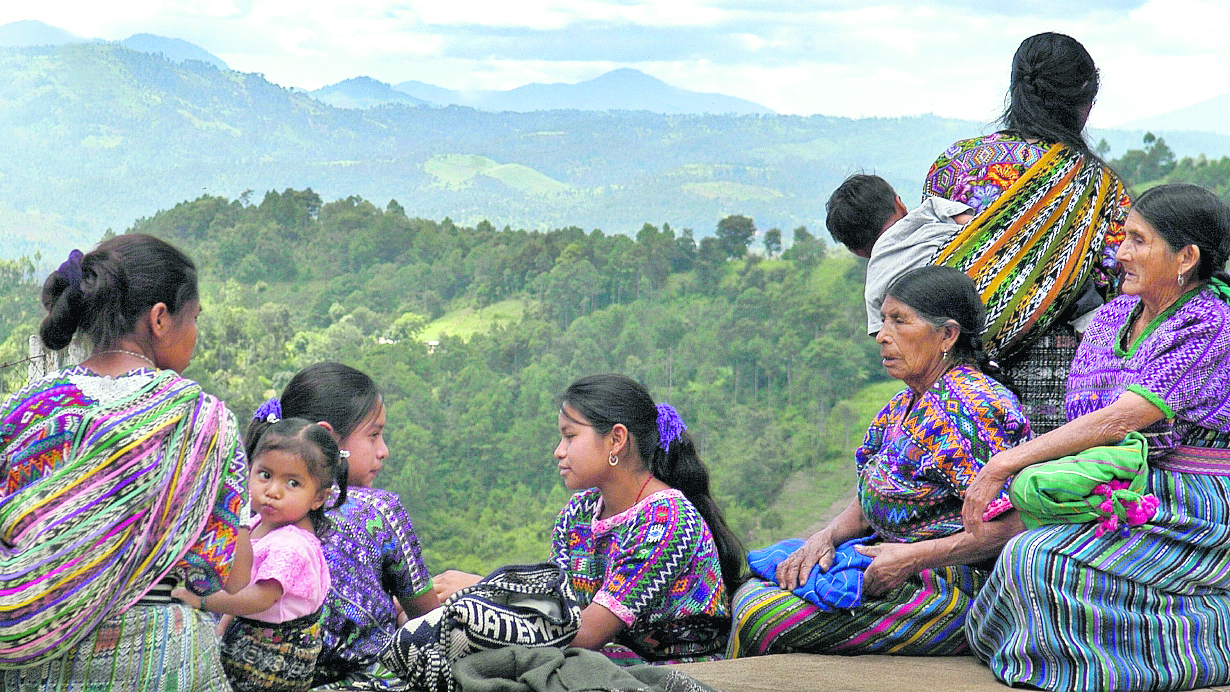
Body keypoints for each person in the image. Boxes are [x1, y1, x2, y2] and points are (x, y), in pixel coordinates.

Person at [962, 184, 1230, 692]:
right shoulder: (1109, 318)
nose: (1120, 253)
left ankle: (1204, 641)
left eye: (1137, 240)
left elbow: (1120, 420)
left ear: (1187, 257)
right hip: (1117, 483)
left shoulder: (1212, 323)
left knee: (1040, 560)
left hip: (1195, 501)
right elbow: (1086, 422)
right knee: (1026, 553)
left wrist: (1003, 465)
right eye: (1122, 237)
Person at [726, 266, 1030, 658]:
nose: (882, 336)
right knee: (757, 584)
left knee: (763, 616)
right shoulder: (904, 405)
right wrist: (824, 538)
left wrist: (912, 557)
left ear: (947, 335)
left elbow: (1015, 522)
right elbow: (868, 501)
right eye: (883, 320)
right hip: (888, 568)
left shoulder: (973, 409)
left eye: (899, 321)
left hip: (954, 589)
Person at [0, 234, 251, 690]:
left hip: (29, 663)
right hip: (155, 662)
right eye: (193, 318)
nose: (194, 332)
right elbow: (227, 577)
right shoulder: (203, 422)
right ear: (160, 319)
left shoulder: (24, 410)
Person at [434, 373, 743, 665]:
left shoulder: (667, 521)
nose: (558, 451)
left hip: (666, 667)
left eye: (570, 436)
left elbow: (586, 633)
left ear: (616, 440)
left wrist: (487, 590)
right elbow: (558, 605)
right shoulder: (580, 512)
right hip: (603, 656)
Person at [923, 32, 1131, 434]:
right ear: (1084, 104)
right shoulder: (1099, 187)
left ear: (1015, 88)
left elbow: (929, 268)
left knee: (960, 480)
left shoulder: (956, 166)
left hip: (952, 369)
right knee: (1037, 486)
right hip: (1058, 378)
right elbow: (1118, 287)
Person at [267, 363, 440, 690]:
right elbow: (430, 620)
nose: (383, 451)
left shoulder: (258, 511)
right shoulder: (379, 511)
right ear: (329, 439)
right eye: (374, 435)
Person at [173, 417, 345, 692]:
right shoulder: (256, 525)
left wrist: (202, 601)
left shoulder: (292, 546)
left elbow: (260, 598)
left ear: (318, 498)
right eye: (265, 475)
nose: (272, 492)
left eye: (292, 483)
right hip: (246, 641)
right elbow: (241, 592)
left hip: (273, 663)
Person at [825, 173, 974, 335]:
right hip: (982, 271)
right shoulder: (929, 208)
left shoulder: (873, 286)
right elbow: (978, 225)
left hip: (950, 332)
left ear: (856, 251)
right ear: (900, 204)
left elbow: (886, 336)